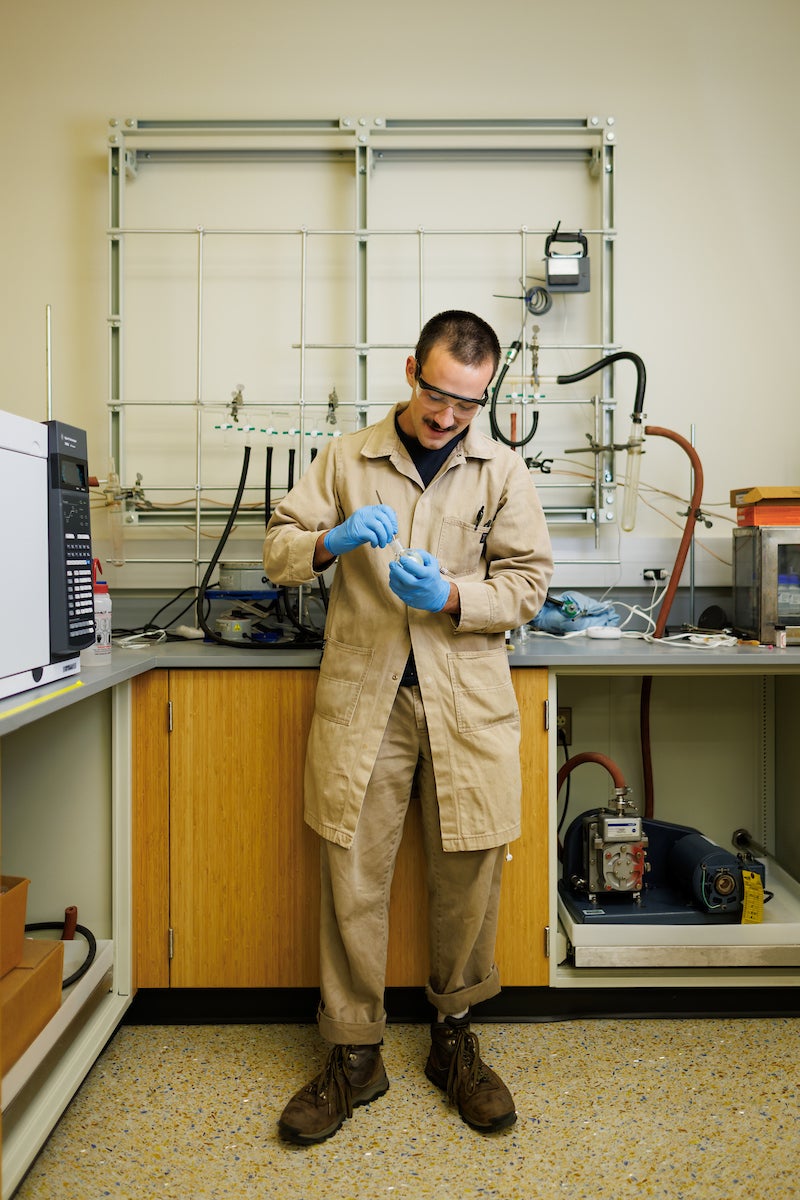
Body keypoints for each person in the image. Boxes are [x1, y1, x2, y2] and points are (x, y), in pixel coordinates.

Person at [263, 309, 553, 1144]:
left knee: (468, 871)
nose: (449, 415)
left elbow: (528, 583)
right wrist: (330, 539)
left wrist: (456, 596)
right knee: (352, 870)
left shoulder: (502, 468)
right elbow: (276, 547)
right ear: (410, 373)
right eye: (437, 394)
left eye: (468, 401)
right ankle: (355, 1054)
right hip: (368, 697)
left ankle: (453, 1039)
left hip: (467, 698)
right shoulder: (346, 458)